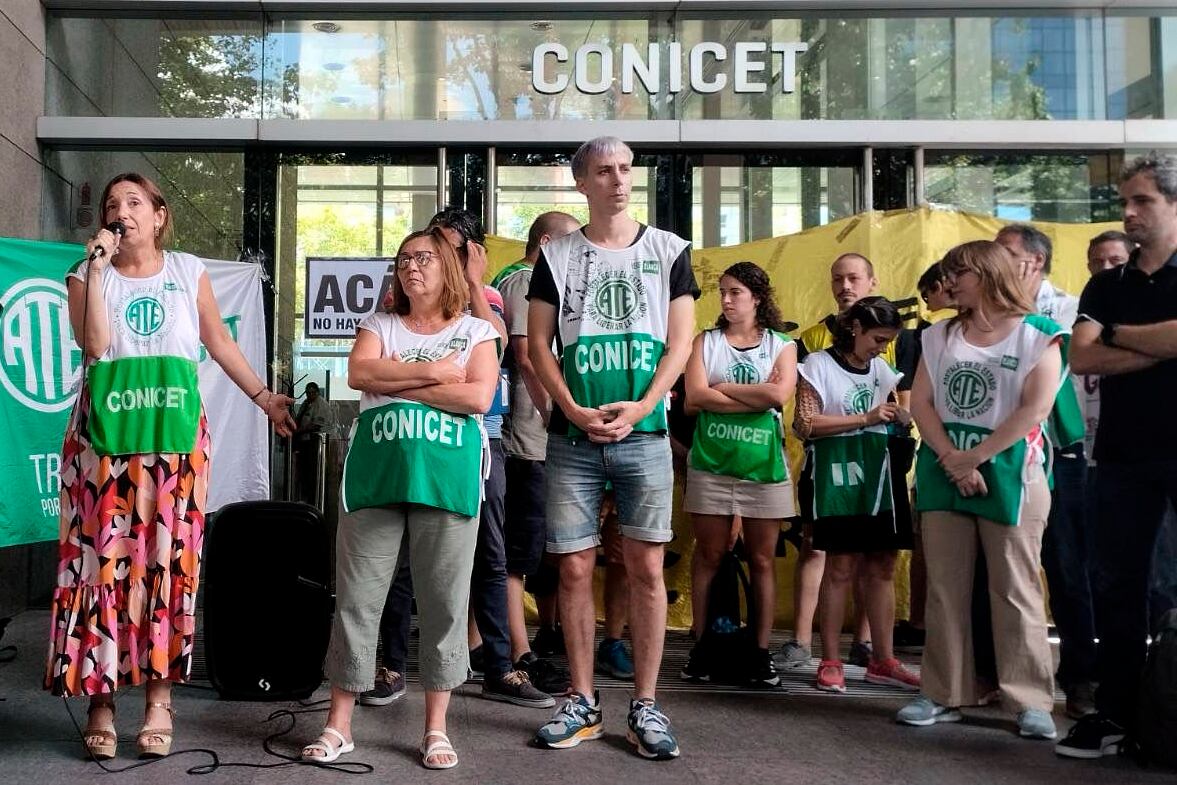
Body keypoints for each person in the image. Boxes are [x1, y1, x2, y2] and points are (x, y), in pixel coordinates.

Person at [47, 173, 295, 760]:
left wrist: (263, 397)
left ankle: (159, 698)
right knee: (101, 569)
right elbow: (98, 346)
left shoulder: (187, 272)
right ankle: (100, 700)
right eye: (112, 205)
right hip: (105, 443)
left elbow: (218, 342)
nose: (121, 211)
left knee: (165, 565)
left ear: (159, 216)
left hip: (174, 442)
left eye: (134, 202)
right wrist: (100, 269)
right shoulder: (85, 277)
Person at [302, 227, 500, 770]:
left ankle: (435, 728)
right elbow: (359, 372)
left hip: (447, 479)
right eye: (405, 258)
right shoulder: (378, 324)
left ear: (449, 268)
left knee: (442, 602)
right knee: (358, 600)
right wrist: (433, 373)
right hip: (377, 478)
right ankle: (339, 724)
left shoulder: (477, 331)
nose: (413, 266)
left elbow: (478, 395)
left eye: (426, 258)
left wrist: (398, 382)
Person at [528, 136, 698, 760]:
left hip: (645, 435)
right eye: (605, 171)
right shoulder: (557, 256)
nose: (620, 180)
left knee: (647, 567)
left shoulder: (669, 250)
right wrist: (569, 408)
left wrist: (645, 407)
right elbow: (538, 346)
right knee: (573, 567)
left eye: (627, 169)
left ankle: (647, 705)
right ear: (582, 184)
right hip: (573, 438)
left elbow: (681, 344)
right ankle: (581, 701)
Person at [900, 239, 1062, 741]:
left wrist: (977, 456)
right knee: (946, 589)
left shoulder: (1039, 335)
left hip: (1013, 475)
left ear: (988, 274)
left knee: (1015, 589)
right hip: (945, 471)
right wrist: (953, 458)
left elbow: (1035, 408)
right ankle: (943, 692)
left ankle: (1030, 700)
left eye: (958, 274)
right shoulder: (938, 336)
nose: (949, 284)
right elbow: (922, 403)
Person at [1058, 152, 1177, 759]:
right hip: (1123, 457)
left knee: (1168, 590)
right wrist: (1163, 343)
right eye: (1124, 203)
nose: (1128, 214)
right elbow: (1080, 357)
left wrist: (1116, 334)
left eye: (1142, 202)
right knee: (1116, 588)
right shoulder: (1107, 283)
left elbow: (1101, 343)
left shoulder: (1116, 302)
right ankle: (1117, 715)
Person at [426, 208, 553, 708]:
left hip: (485, 439)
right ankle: (394, 663)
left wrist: (476, 284)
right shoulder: (408, 296)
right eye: (434, 247)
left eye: (456, 249)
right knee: (412, 558)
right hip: (426, 437)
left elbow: (498, 344)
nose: (443, 259)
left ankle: (499, 665)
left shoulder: (491, 295)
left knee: (493, 554)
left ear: (472, 253)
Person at [793, 296, 920, 693]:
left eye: (887, 340)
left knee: (882, 565)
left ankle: (883, 659)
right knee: (840, 567)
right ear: (855, 328)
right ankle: (829, 659)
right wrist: (863, 418)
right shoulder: (818, 364)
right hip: (838, 475)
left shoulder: (883, 369)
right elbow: (805, 423)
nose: (882, 347)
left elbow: (893, 413)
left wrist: (901, 416)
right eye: (878, 338)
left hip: (879, 476)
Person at [777, 253, 896, 671]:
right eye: (837, 278)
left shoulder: (895, 337)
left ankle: (865, 643)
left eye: (853, 278)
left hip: (879, 465)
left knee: (872, 556)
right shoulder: (812, 339)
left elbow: (902, 402)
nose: (845, 286)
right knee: (816, 548)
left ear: (871, 281)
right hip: (825, 463)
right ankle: (801, 640)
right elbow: (803, 418)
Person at [681, 261, 797, 688]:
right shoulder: (706, 341)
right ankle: (702, 646)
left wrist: (723, 389)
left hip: (763, 469)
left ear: (758, 298)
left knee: (762, 559)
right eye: (724, 292)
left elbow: (779, 396)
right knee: (708, 556)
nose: (726, 300)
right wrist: (753, 396)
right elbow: (694, 397)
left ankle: (760, 652)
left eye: (736, 293)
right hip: (711, 465)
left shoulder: (782, 345)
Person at [995, 224, 1091, 717]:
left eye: (1004, 253)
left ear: (1033, 262)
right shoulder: (988, 312)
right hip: (999, 453)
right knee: (1002, 570)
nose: (994, 260)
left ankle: (1079, 680)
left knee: (1066, 568)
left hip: (1056, 454)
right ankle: (996, 677)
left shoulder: (1068, 310)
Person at [492, 210, 582, 694]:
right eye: (570, 246)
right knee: (517, 553)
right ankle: (519, 653)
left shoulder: (534, 283)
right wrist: (558, 415)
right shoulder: (523, 279)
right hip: (526, 438)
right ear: (546, 242)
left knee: (540, 548)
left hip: (538, 438)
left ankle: (509, 642)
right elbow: (526, 356)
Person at [892, 261, 955, 652]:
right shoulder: (924, 340)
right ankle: (921, 623)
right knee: (927, 543)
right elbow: (915, 403)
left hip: (988, 457)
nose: (928, 303)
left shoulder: (1017, 333)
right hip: (935, 456)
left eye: (928, 293)